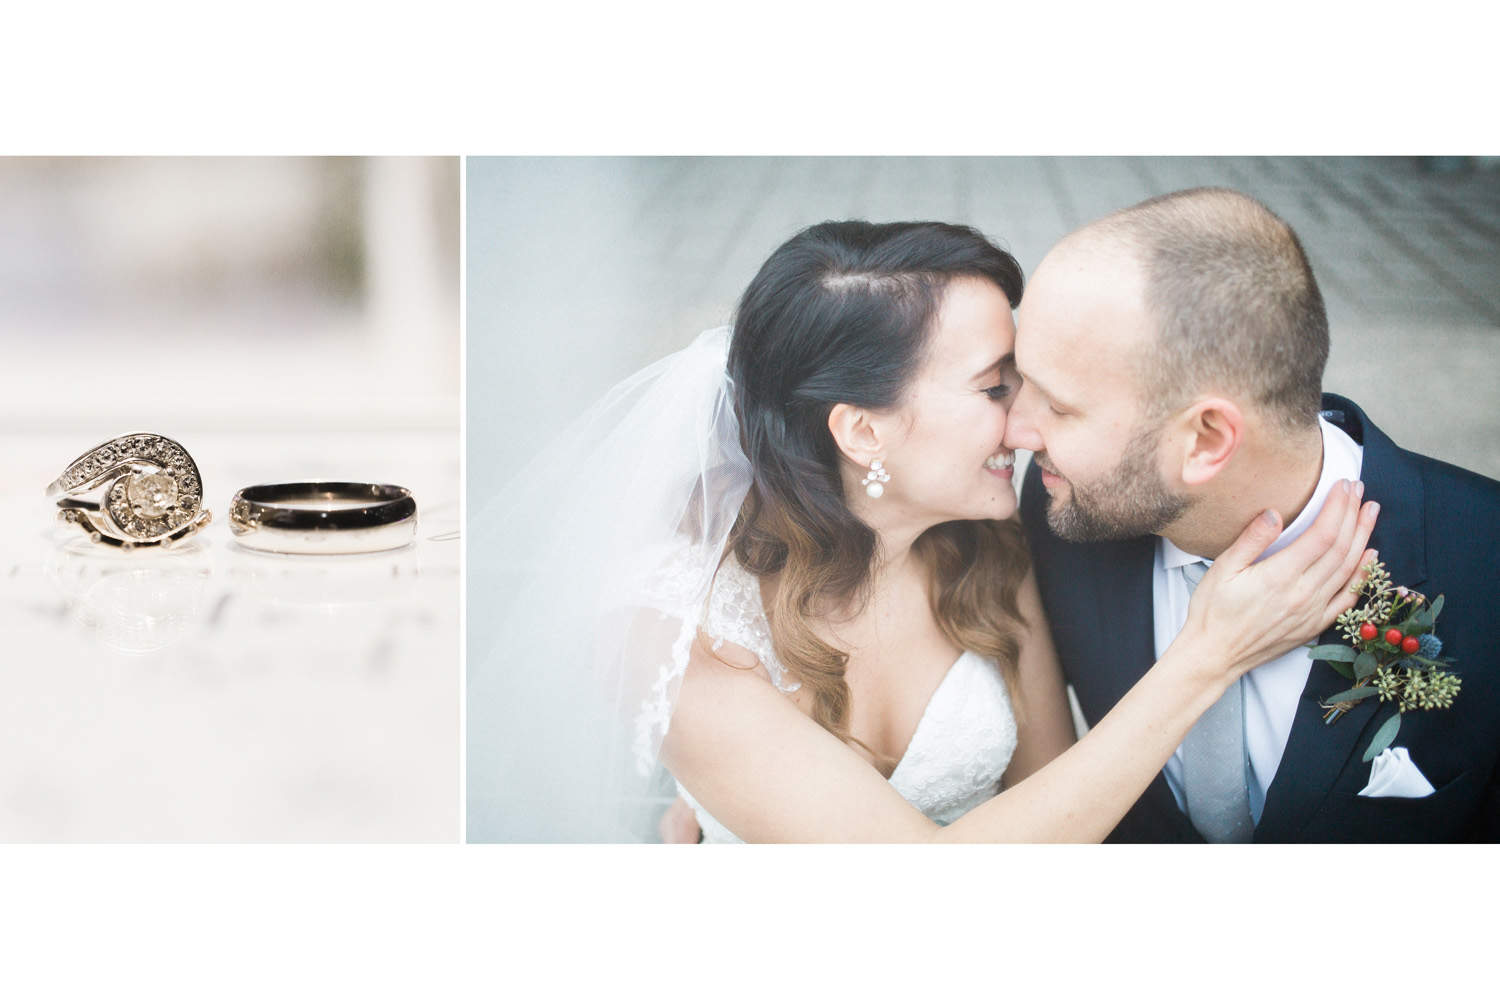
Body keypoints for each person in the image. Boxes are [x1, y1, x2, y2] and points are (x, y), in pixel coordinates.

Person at [469, 219, 1376, 843]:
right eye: (994, 388)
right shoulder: (674, 631)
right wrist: (1205, 657)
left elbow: (1052, 799)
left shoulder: (984, 544)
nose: (1028, 424)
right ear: (862, 429)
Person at [1010, 187, 1500, 842]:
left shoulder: (1484, 561)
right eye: (1022, 383)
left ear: (1207, 440)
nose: (1016, 430)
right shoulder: (1063, 505)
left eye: (1059, 407)